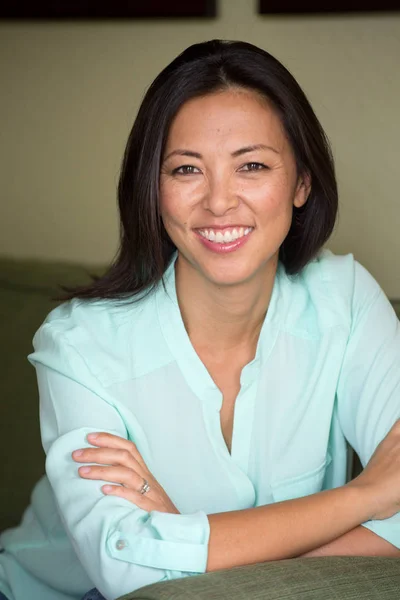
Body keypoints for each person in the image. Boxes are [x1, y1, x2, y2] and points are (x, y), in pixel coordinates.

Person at [0, 38, 399, 600]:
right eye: (187, 169)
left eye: (252, 165)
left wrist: (182, 544)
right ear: (153, 190)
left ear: (302, 183)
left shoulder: (348, 302)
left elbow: (154, 560)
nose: (218, 202)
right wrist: (365, 498)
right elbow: (126, 571)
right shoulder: (80, 345)